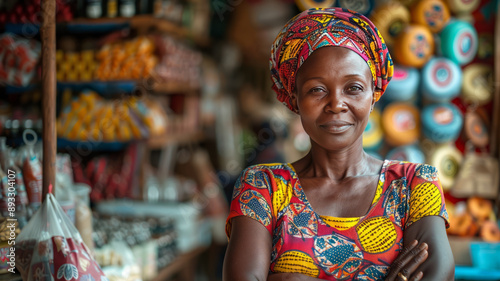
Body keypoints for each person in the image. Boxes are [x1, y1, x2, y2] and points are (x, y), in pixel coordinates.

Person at [223, 7, 454, 281]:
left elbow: (437, 275)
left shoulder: (414, 185)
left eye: (353, 88)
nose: (336, 105)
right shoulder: (262, 188)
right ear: (294, 99)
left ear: (374, 94)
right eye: (317, 89)